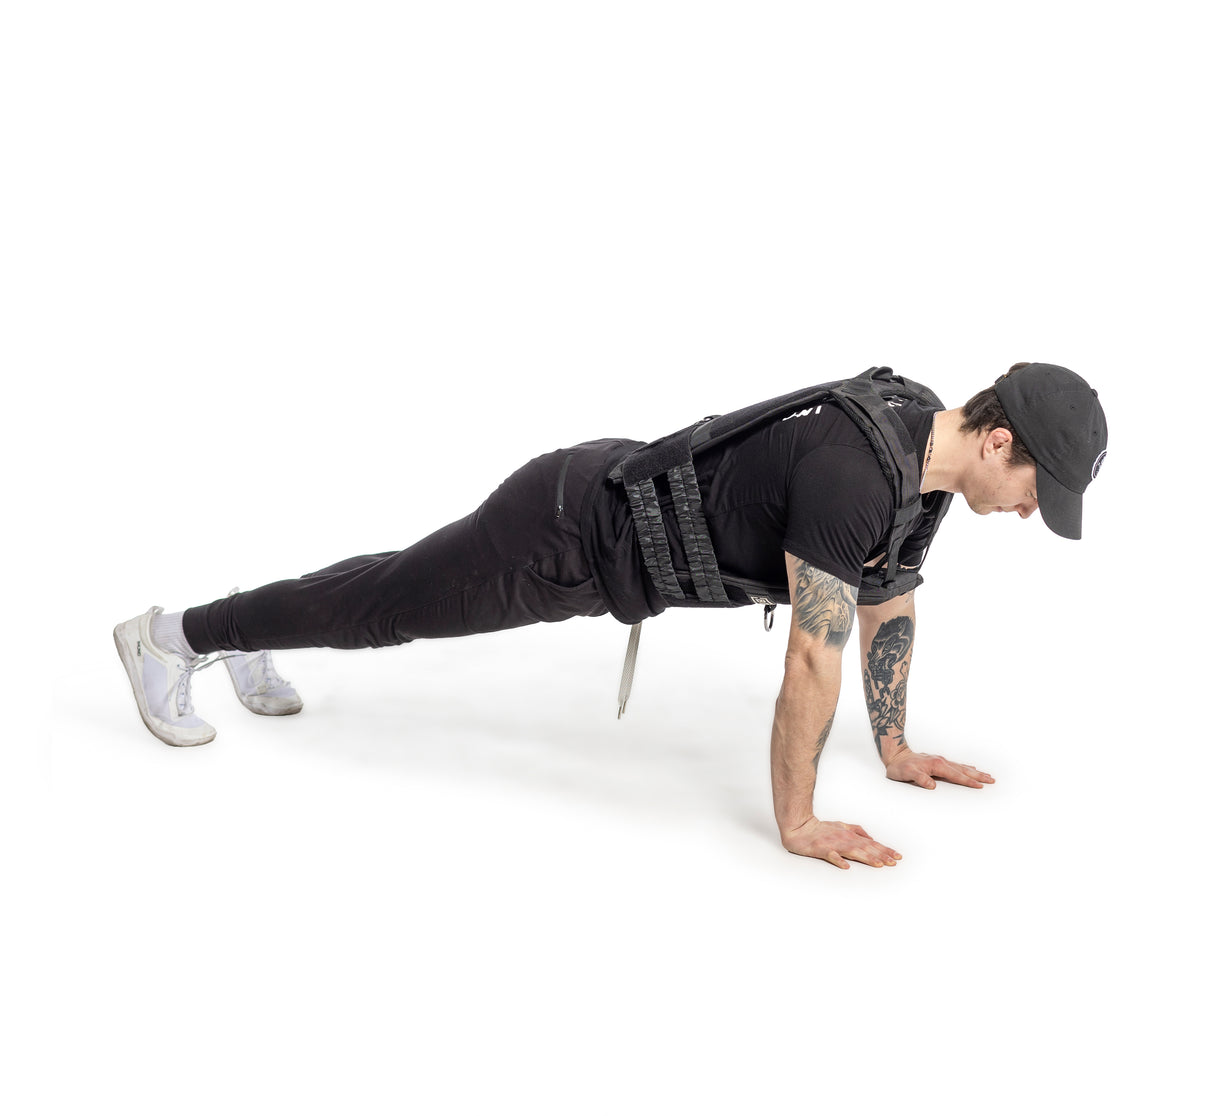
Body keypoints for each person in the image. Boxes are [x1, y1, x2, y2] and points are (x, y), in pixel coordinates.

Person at [114, 362, 1107, 869]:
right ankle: (175, 636)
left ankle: (247, 635)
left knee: (387, 585)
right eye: (1034, 489)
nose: (1028, 511)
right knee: (387, 606)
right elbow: (812, 658)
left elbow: (886, 596)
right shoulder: (856, 474)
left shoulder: (920, 458)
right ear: (1000, 440)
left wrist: (892, 748)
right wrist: (795, 821)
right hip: (566, 535)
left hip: (600, 521)